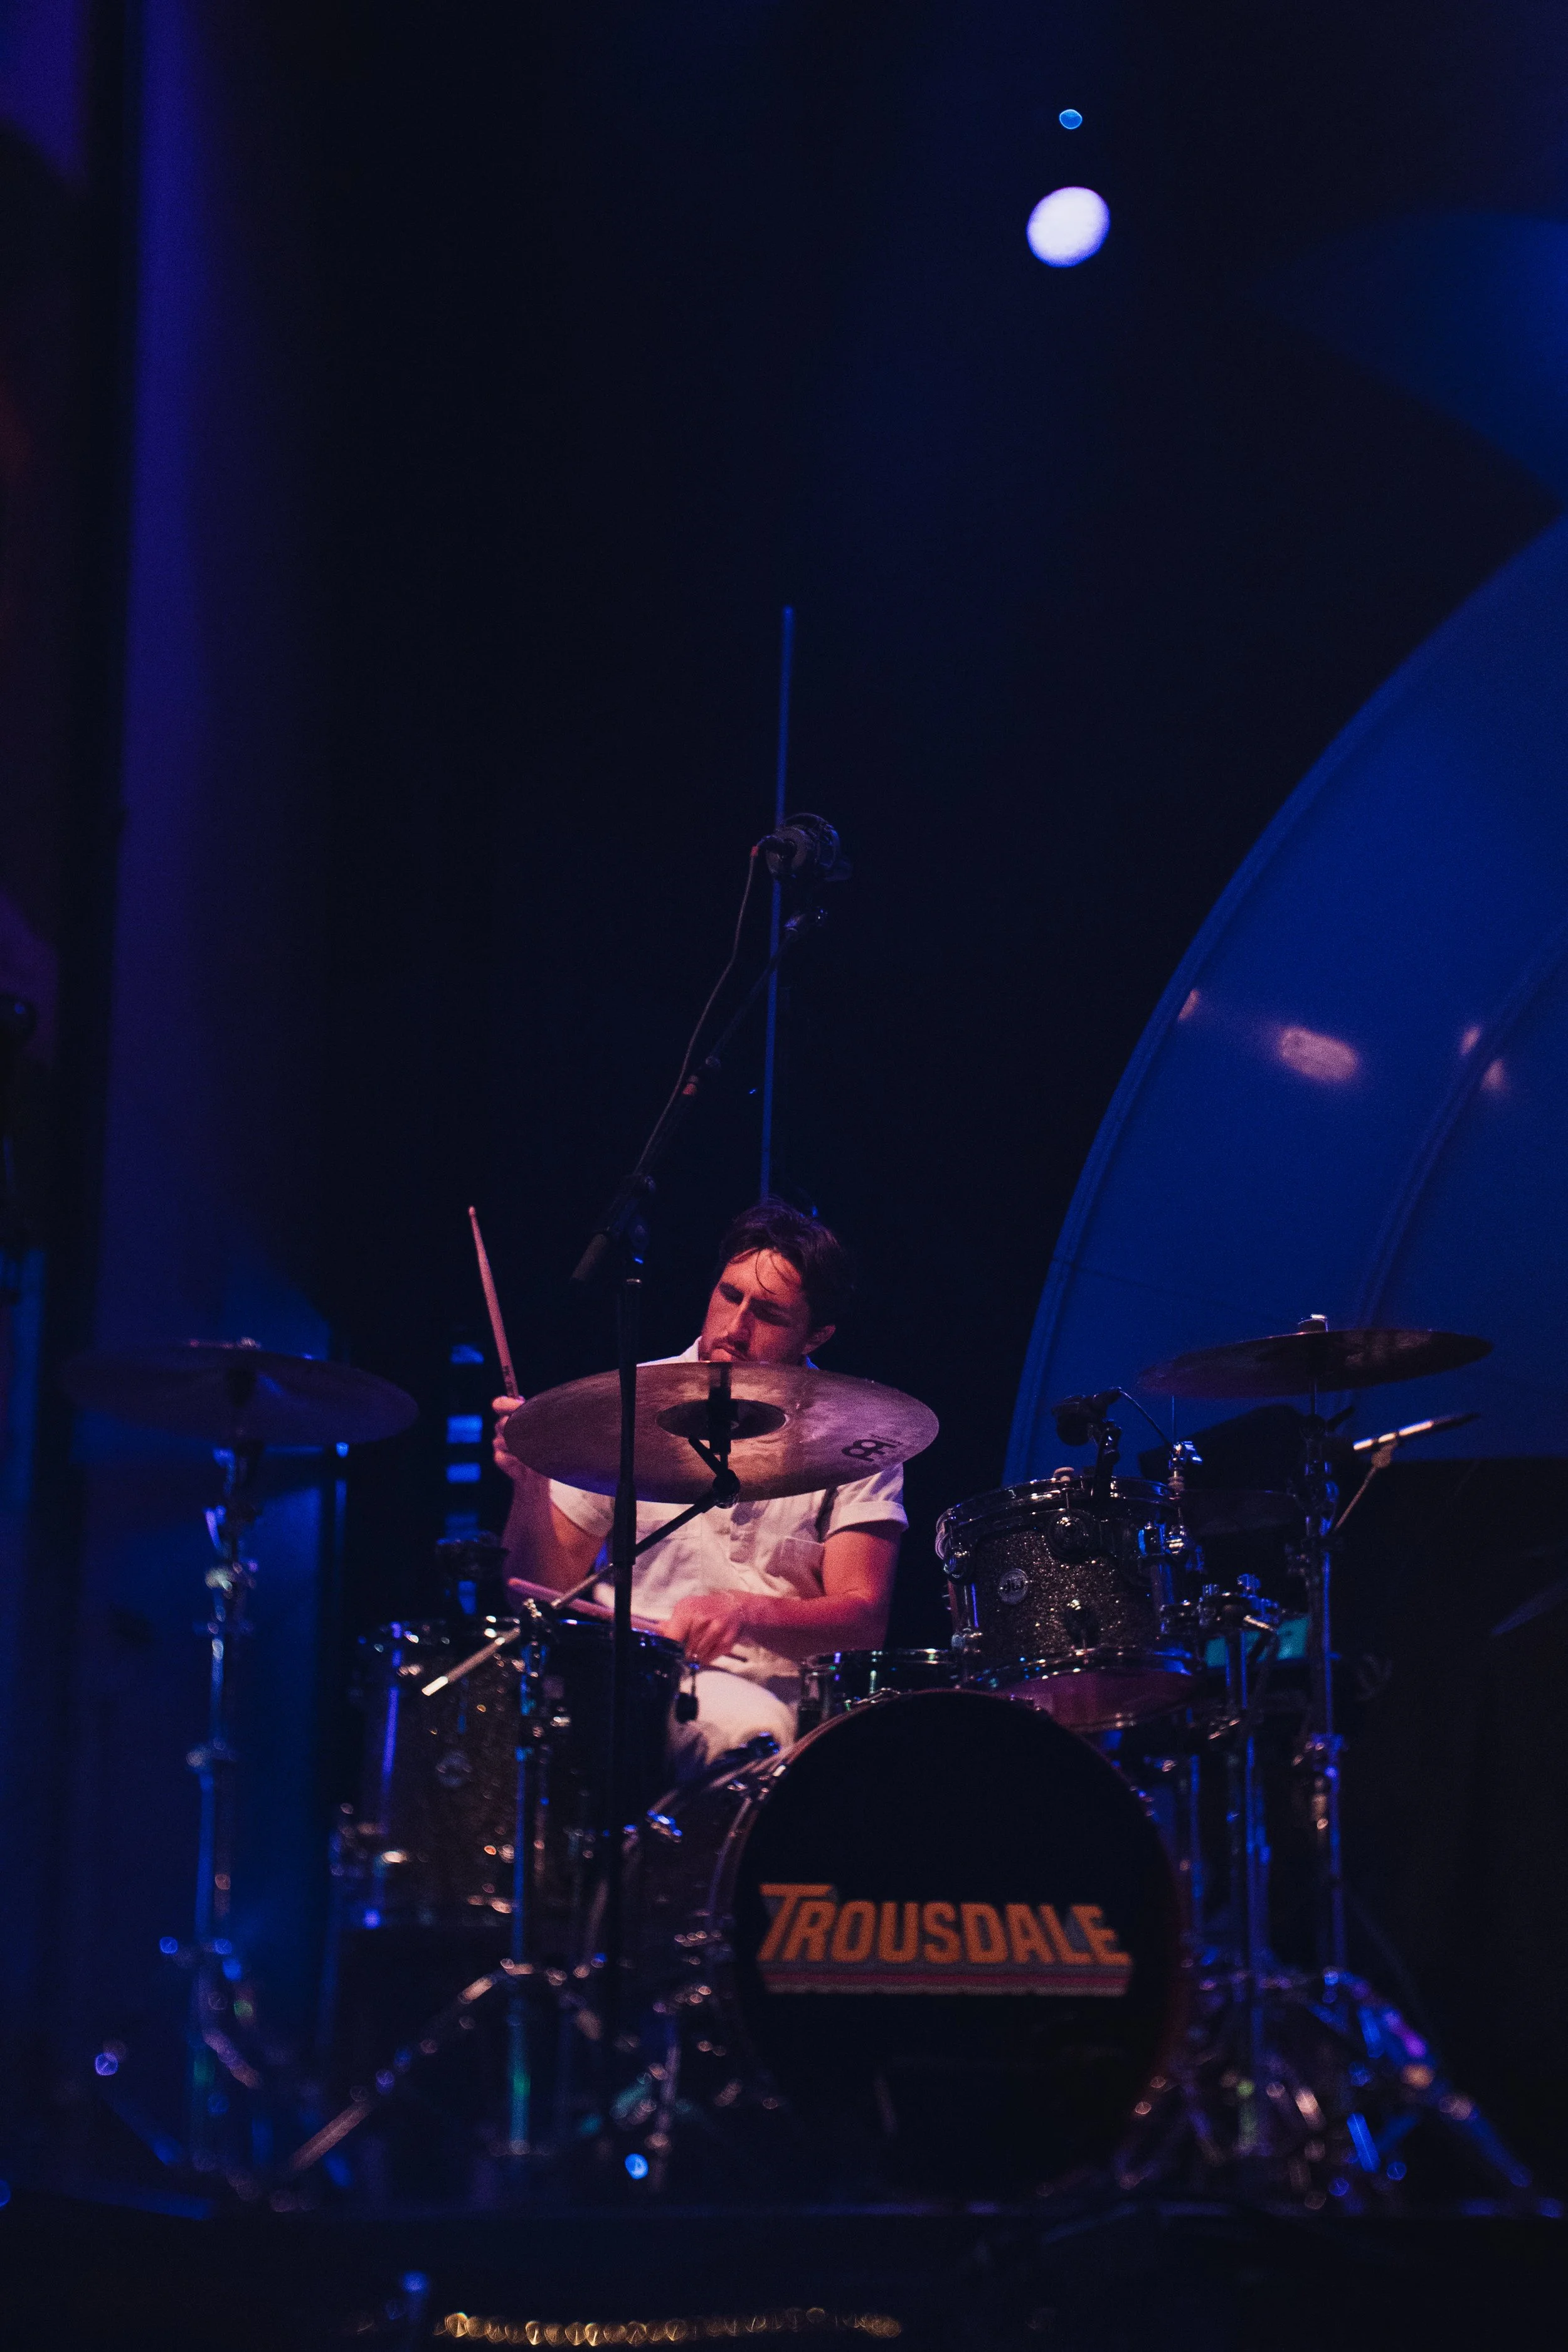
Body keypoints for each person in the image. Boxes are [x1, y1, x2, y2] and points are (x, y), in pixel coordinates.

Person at [492, 1200, 906, 1769]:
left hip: (792, 1702)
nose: (735, 1329)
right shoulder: (627, 1405)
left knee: (777, 1734)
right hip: (635, 1681)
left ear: (817, 1336)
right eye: (729, 1295)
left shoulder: (860, 1430)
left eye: (769, 1314)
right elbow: (532, 1591)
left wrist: (743, 1610)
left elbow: (863, 1622)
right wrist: (530, 1484)